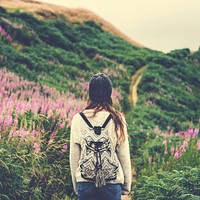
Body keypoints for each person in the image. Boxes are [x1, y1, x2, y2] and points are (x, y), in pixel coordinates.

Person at [70, 73, 132, 200]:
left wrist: (78, 184)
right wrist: (126, 186)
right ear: (109, 94)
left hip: (85, 183)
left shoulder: (78, 119)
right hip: (112, 183)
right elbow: (124, 155)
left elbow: (74, 157)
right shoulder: (117, 119)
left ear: (91, 94)